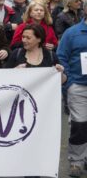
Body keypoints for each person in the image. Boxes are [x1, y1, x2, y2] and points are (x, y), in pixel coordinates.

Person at [57, 14, 87, 177]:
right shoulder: (72, 33)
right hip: (78, 86)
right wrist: (69, 82)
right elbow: (62, 56)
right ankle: (76, 162)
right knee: (79, 125)